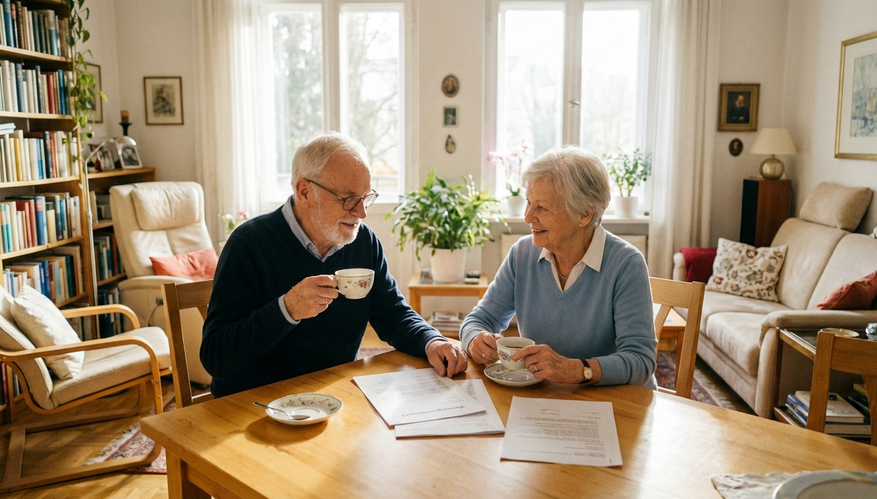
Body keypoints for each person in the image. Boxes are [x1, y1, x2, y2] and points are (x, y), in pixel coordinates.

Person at [201, 132, 467, 397]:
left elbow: (392, 314)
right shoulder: (249, 244)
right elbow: (216, 356)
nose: (362, 213)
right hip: (252, 406)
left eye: (366, 197)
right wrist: (287, 309)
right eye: (349, 199)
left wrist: (431, 341)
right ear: (304, 192)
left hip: (331, 398)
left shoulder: (364, 242)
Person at [460, 146, 657, 388]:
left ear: (584, 214)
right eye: (529, 203)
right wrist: (474, 340)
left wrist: (577, 369)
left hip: (614, 403)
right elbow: (479, 319)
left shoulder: (626, 264)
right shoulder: (522, 254)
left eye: (542, 207)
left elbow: (641, 361)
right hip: (546, 397)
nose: (528, 216)